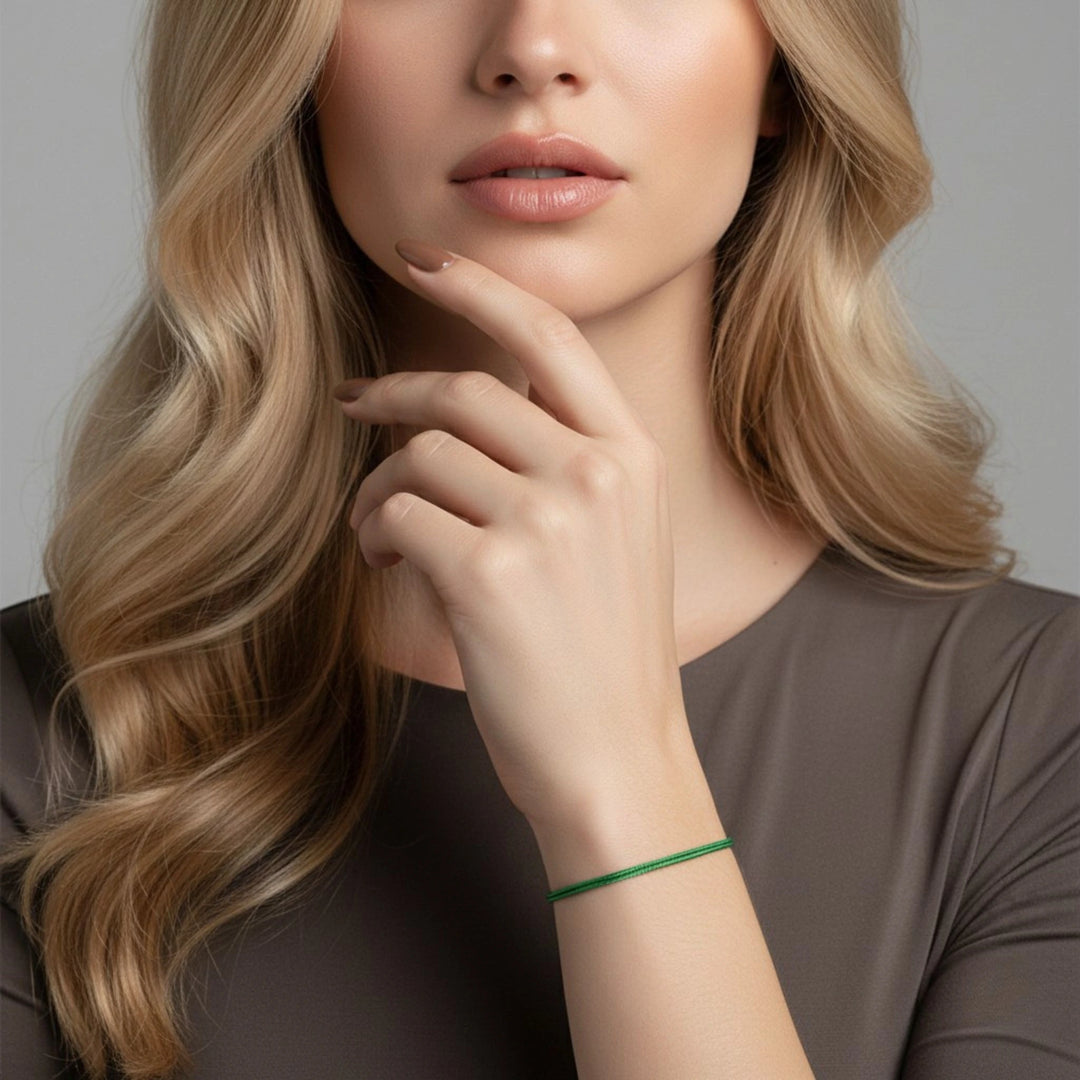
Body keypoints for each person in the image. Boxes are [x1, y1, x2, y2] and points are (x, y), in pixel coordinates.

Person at [2, 0, 1077, 1077]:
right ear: (285, 65)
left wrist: (620, 783)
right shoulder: (35, 731)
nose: (534, 50)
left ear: (790, 71)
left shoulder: (1042, 736)